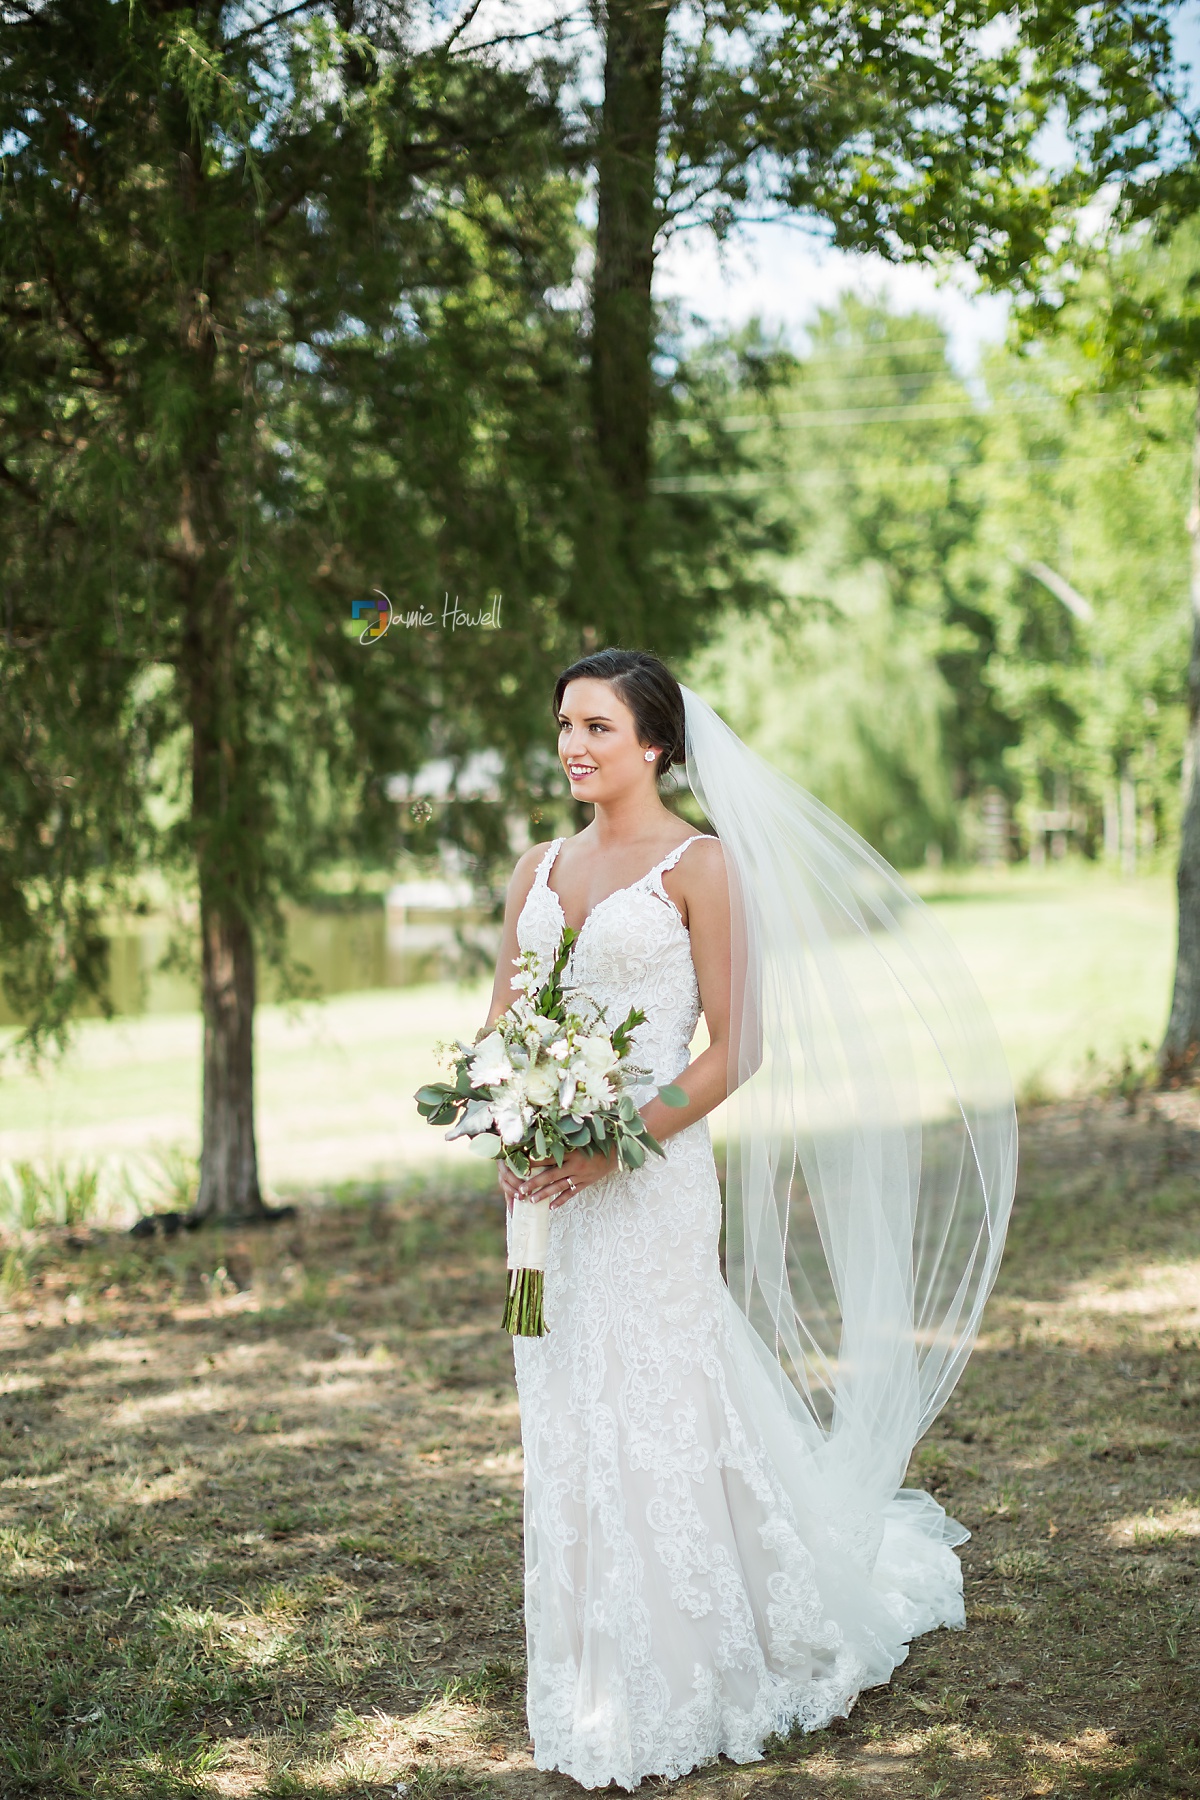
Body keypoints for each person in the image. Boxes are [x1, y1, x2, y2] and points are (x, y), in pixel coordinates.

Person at [479, 648, 1016, 1791]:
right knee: (567, 1396)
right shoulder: (535, 868)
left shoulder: (700, 866)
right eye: (564, 725)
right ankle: (594, 1663)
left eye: (599, 728)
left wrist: (608, 1142)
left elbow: (738, 1048)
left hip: (649, 1176)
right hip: (546, 1200)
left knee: (662, 1394)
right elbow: (500, 1035)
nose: (574, 746)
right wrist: (511, 1136)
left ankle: (696, 1663)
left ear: (656, 744)